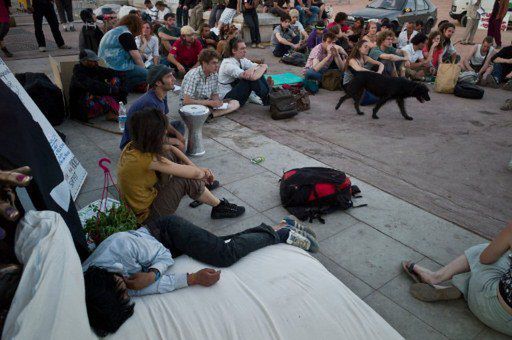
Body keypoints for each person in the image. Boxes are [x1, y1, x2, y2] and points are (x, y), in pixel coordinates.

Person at [82, 214, 319, 336]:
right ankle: (279, 226)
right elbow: (140, 289)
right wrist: (192, 279)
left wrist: (153, 275)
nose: (129, 288)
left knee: (224, 254)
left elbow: (163, 257)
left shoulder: (120, 247)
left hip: (167, 233)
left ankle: (281, 234)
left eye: (123, 289)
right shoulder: (100, 285)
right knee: (219, 244)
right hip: (153, 248)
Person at [118, 108, 245, 223]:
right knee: (186, 179)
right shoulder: (147, 159)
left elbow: (172, 149)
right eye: (163, 131)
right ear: (153, 135)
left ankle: (200, 188)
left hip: (139, 205)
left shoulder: (132, 147)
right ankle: (219, 207)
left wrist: (194, 168)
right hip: (146, 218)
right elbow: (194, 173)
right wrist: (202, 173)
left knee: (171, 156)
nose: (165, 133)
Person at [402, 221, 512, 337]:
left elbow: (485, 259)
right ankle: (462, 288)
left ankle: (437, 278)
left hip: (491, 309)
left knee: (485, 252)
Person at [119, 64, 185, 151]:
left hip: (151, 133)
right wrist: (174, 141)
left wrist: (177, 134)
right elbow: (150, 136)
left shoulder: (162, 95)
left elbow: (164, 120)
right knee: (178, 147)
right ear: (158, 82)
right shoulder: (150, 103)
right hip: (135, 143)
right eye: (169, 76)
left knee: (178, 126)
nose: (174, 79)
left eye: (172, 75)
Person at [69, 49, 126, 122]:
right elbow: (94, 86)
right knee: (107, 98)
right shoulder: (79, 75)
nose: (95, 63)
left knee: (116, 80)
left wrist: (121, 77)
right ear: (85, 61)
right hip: (82, 107)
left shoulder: (93, 68)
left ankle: (113, 111)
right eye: (93, 61)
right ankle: (114, 113)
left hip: (93, 98)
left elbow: (109, 72)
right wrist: (110, 89)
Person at [182, 49, 240, 118]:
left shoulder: (214, 75)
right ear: (204, 63)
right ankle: (207, 115)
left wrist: (217, 102)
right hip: (191, 106)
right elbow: (186, 101)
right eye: (213, 63)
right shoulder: (194, 75)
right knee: (196, 110)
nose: (217, 66)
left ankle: (210, 115)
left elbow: (214, 94)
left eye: (217, 63)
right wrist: (209, 103)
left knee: (235, 103)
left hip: (206, 103)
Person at [98, 14, 147, 92]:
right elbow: (137, 58)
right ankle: (123, 86)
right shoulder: (126, 34)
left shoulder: (117, 30)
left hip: (104, 64)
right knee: (148, 75)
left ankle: (122, 84)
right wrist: (145, 71)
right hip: (116, 67)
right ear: (136, 25)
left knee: (142, 62)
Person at [218, 37, 272, 106]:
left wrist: (259, 67)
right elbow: (253, 78)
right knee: (251, 79)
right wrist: (262, 66)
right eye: (242, 49)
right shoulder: (228, 64)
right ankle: (267, 97)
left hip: (236, 89)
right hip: (227, 99)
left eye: (245, 48)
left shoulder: (241, 60)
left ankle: (267, 94)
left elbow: (263, 70)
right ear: (234, 50)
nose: (245, 51)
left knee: (257, 73)